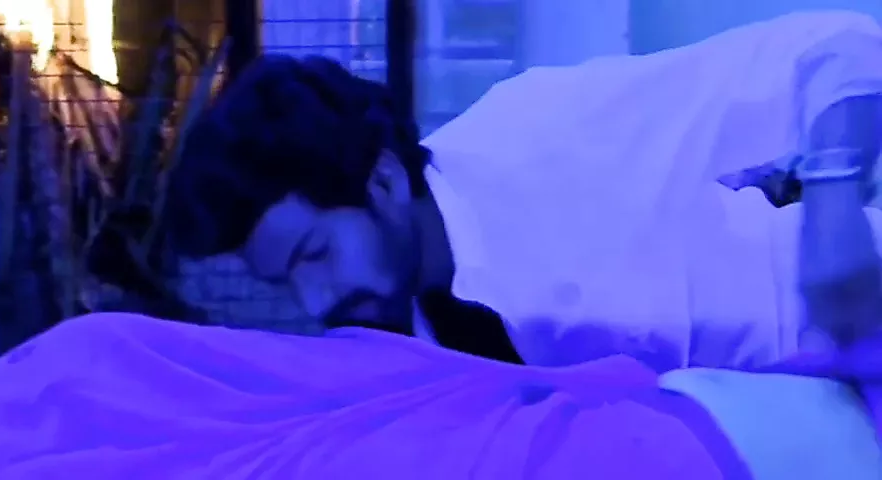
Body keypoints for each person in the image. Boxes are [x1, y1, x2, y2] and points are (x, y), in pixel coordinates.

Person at [163, 10, 882, 371]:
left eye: (314, 254)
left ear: (382, 179)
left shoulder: (542, 132)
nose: (315, 302)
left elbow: (840, 46)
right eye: (286, 283)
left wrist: (833, 206)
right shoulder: (417, 350)